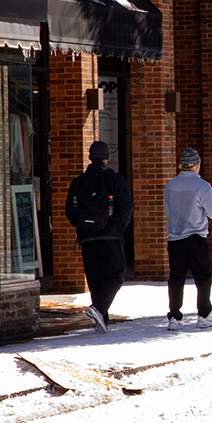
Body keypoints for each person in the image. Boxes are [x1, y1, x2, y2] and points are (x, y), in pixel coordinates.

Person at [65, 140, 133, 333]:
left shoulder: (78, 182)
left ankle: (101, 320)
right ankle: (98, 309)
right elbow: (127, 208)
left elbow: (70, 211)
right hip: (111, 235)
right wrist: (119, 227)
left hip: (87, 238)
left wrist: (82, 228)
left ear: (90, 157)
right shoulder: (116, 180)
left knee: (95, 278)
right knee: (116, 275)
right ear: (107, 158)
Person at [164, 147, 212, 330]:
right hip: (196, 237)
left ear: (181, 166)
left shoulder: (170, 186)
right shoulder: (202, 186)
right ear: (198, 165)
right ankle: (203, 315)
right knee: (203, 277)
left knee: (176, 278)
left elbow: (168, 210)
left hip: (175, 237)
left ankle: (174, 316)